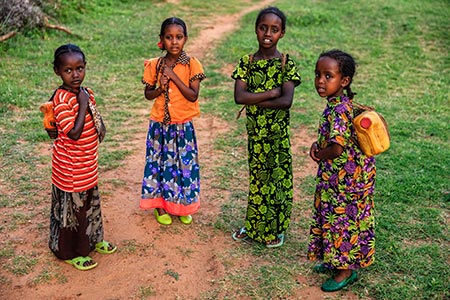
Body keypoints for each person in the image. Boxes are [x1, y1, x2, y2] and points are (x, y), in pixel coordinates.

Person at [230, 7, 301, 248]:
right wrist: (271, 92)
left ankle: (276, 229)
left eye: (274, 29)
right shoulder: (247, 62)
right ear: (256, 30)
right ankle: (253, 227)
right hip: (256, 136)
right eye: (263, 28)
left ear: (282, 33)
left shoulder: (285, 63)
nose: (267, 34)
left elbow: (286, 101)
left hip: (278, 136)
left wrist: (255, 96)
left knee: (277, 182)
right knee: (258, 182)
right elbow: (239, 97)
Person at [307, 49, 376, 292]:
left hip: (345, 181)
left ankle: (345, 271)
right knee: (335, 219)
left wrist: (319, 154)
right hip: (344, 178)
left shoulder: (338, 110)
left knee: (342, 222)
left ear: (343, 81)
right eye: (317, 75)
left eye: (328, 76)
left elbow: (336, 149)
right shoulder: (340, 104)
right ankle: (335, 261)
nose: (320, 81)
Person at [48, 44, 117, 271]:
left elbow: (96, 125)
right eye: (68, 70)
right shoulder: (61, 100)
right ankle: (70, 252)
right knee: (71, 212)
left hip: (87, 165)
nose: (75, 74)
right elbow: (74, 133)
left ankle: (93, 241)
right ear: (57, 71)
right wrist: (83, 104)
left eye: (80, 68)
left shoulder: (86, 93)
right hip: (69, 169)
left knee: (89, 206)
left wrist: (87, 101)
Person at [140, 17, 206, 225]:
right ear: (161, 40)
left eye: (178, 37)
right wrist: (160, 86)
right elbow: (148, 94)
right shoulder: (155, 65)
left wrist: (174, 77)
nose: (174, 42)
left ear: (185, 39)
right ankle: (160, 206)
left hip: (183, 126)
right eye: (169, 37)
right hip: (160, 126)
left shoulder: (192, 65)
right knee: (160, 164)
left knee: (182, 166)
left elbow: (193, 95)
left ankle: (182, 204)